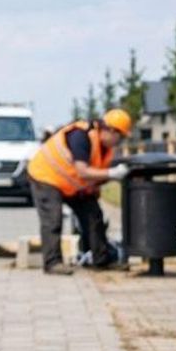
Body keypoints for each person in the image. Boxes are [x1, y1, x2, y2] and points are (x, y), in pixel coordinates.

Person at [27, 109, 132, 275]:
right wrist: (112, 174)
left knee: (93, 214)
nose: (120, 142)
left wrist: (96, 186)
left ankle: (101, 260)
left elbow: (92, 174)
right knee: (53, 219)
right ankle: (52, 263)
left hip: (69, 183)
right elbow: (82, 171)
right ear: (111, 131)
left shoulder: (105, 148)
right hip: (45, 176)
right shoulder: (81, 136)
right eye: (121, 137)